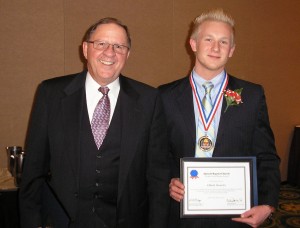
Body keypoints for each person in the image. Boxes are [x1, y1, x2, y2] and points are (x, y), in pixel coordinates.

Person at [19, 17, 170, 228]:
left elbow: (158, 178)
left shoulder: (149, 100)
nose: (110, 52)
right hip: (64, 221)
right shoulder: (50, 94)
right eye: (101, 44)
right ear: (85, 49)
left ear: (127, 54)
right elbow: (33, 171)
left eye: (119, 46)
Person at [158, 8, 280, 228]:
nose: (216, 48)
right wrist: (169, 180)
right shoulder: (164, 96)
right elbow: (156, 155)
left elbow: (267, 156)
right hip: (180, 212)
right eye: (208, 39)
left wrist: (268, 205)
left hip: (234, 216)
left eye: (224, 42)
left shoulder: (251, 96)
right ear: (193, 44)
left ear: (231, 50)